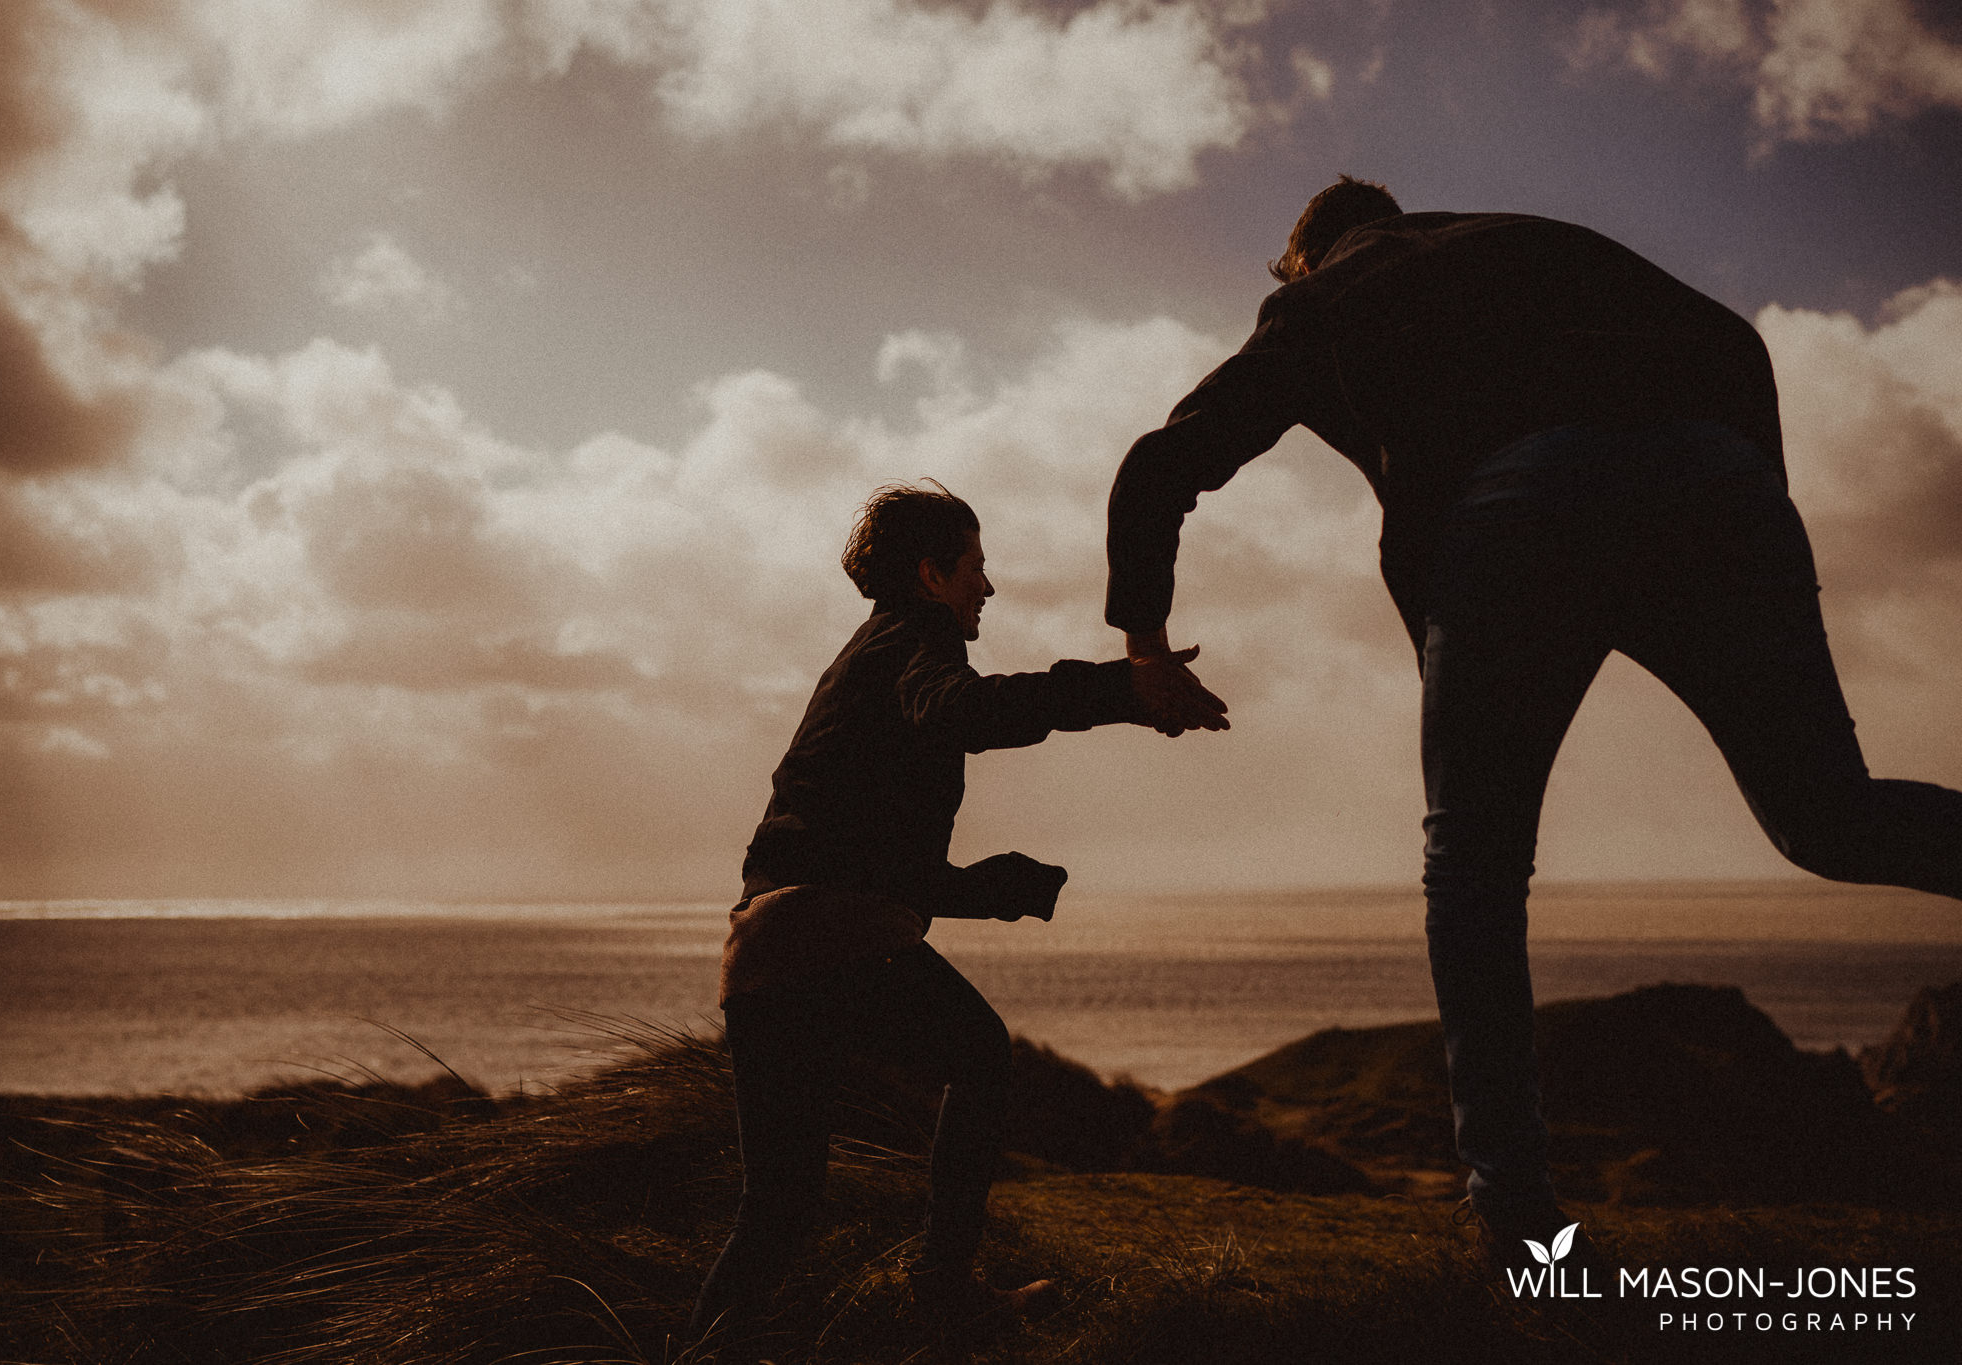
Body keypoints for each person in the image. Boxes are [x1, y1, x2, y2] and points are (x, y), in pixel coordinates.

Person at [1104, 176, 1962, 1258]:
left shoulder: (1329, 292)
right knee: (1825, 815)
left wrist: (1141, 646)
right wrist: (1746, 512)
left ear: (1302, 259)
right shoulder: (1553, 243)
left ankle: (1511, 1213)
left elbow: (1161, 463)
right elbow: (1733, 340)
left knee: (1472, 863)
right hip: (1719, 479)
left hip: (1522, 510)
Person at [688, 481, 1198, 1348]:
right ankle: (943, 1287)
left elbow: (852, 860)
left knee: (778, 1207)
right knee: (981, 1053)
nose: (986, 588)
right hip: (831, 940)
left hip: (765, 954)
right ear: (930, 574)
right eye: (974, 568)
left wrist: (984, 889)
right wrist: (1123, 689)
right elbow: (963, 711)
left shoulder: (867, 655)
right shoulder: (915, 638)